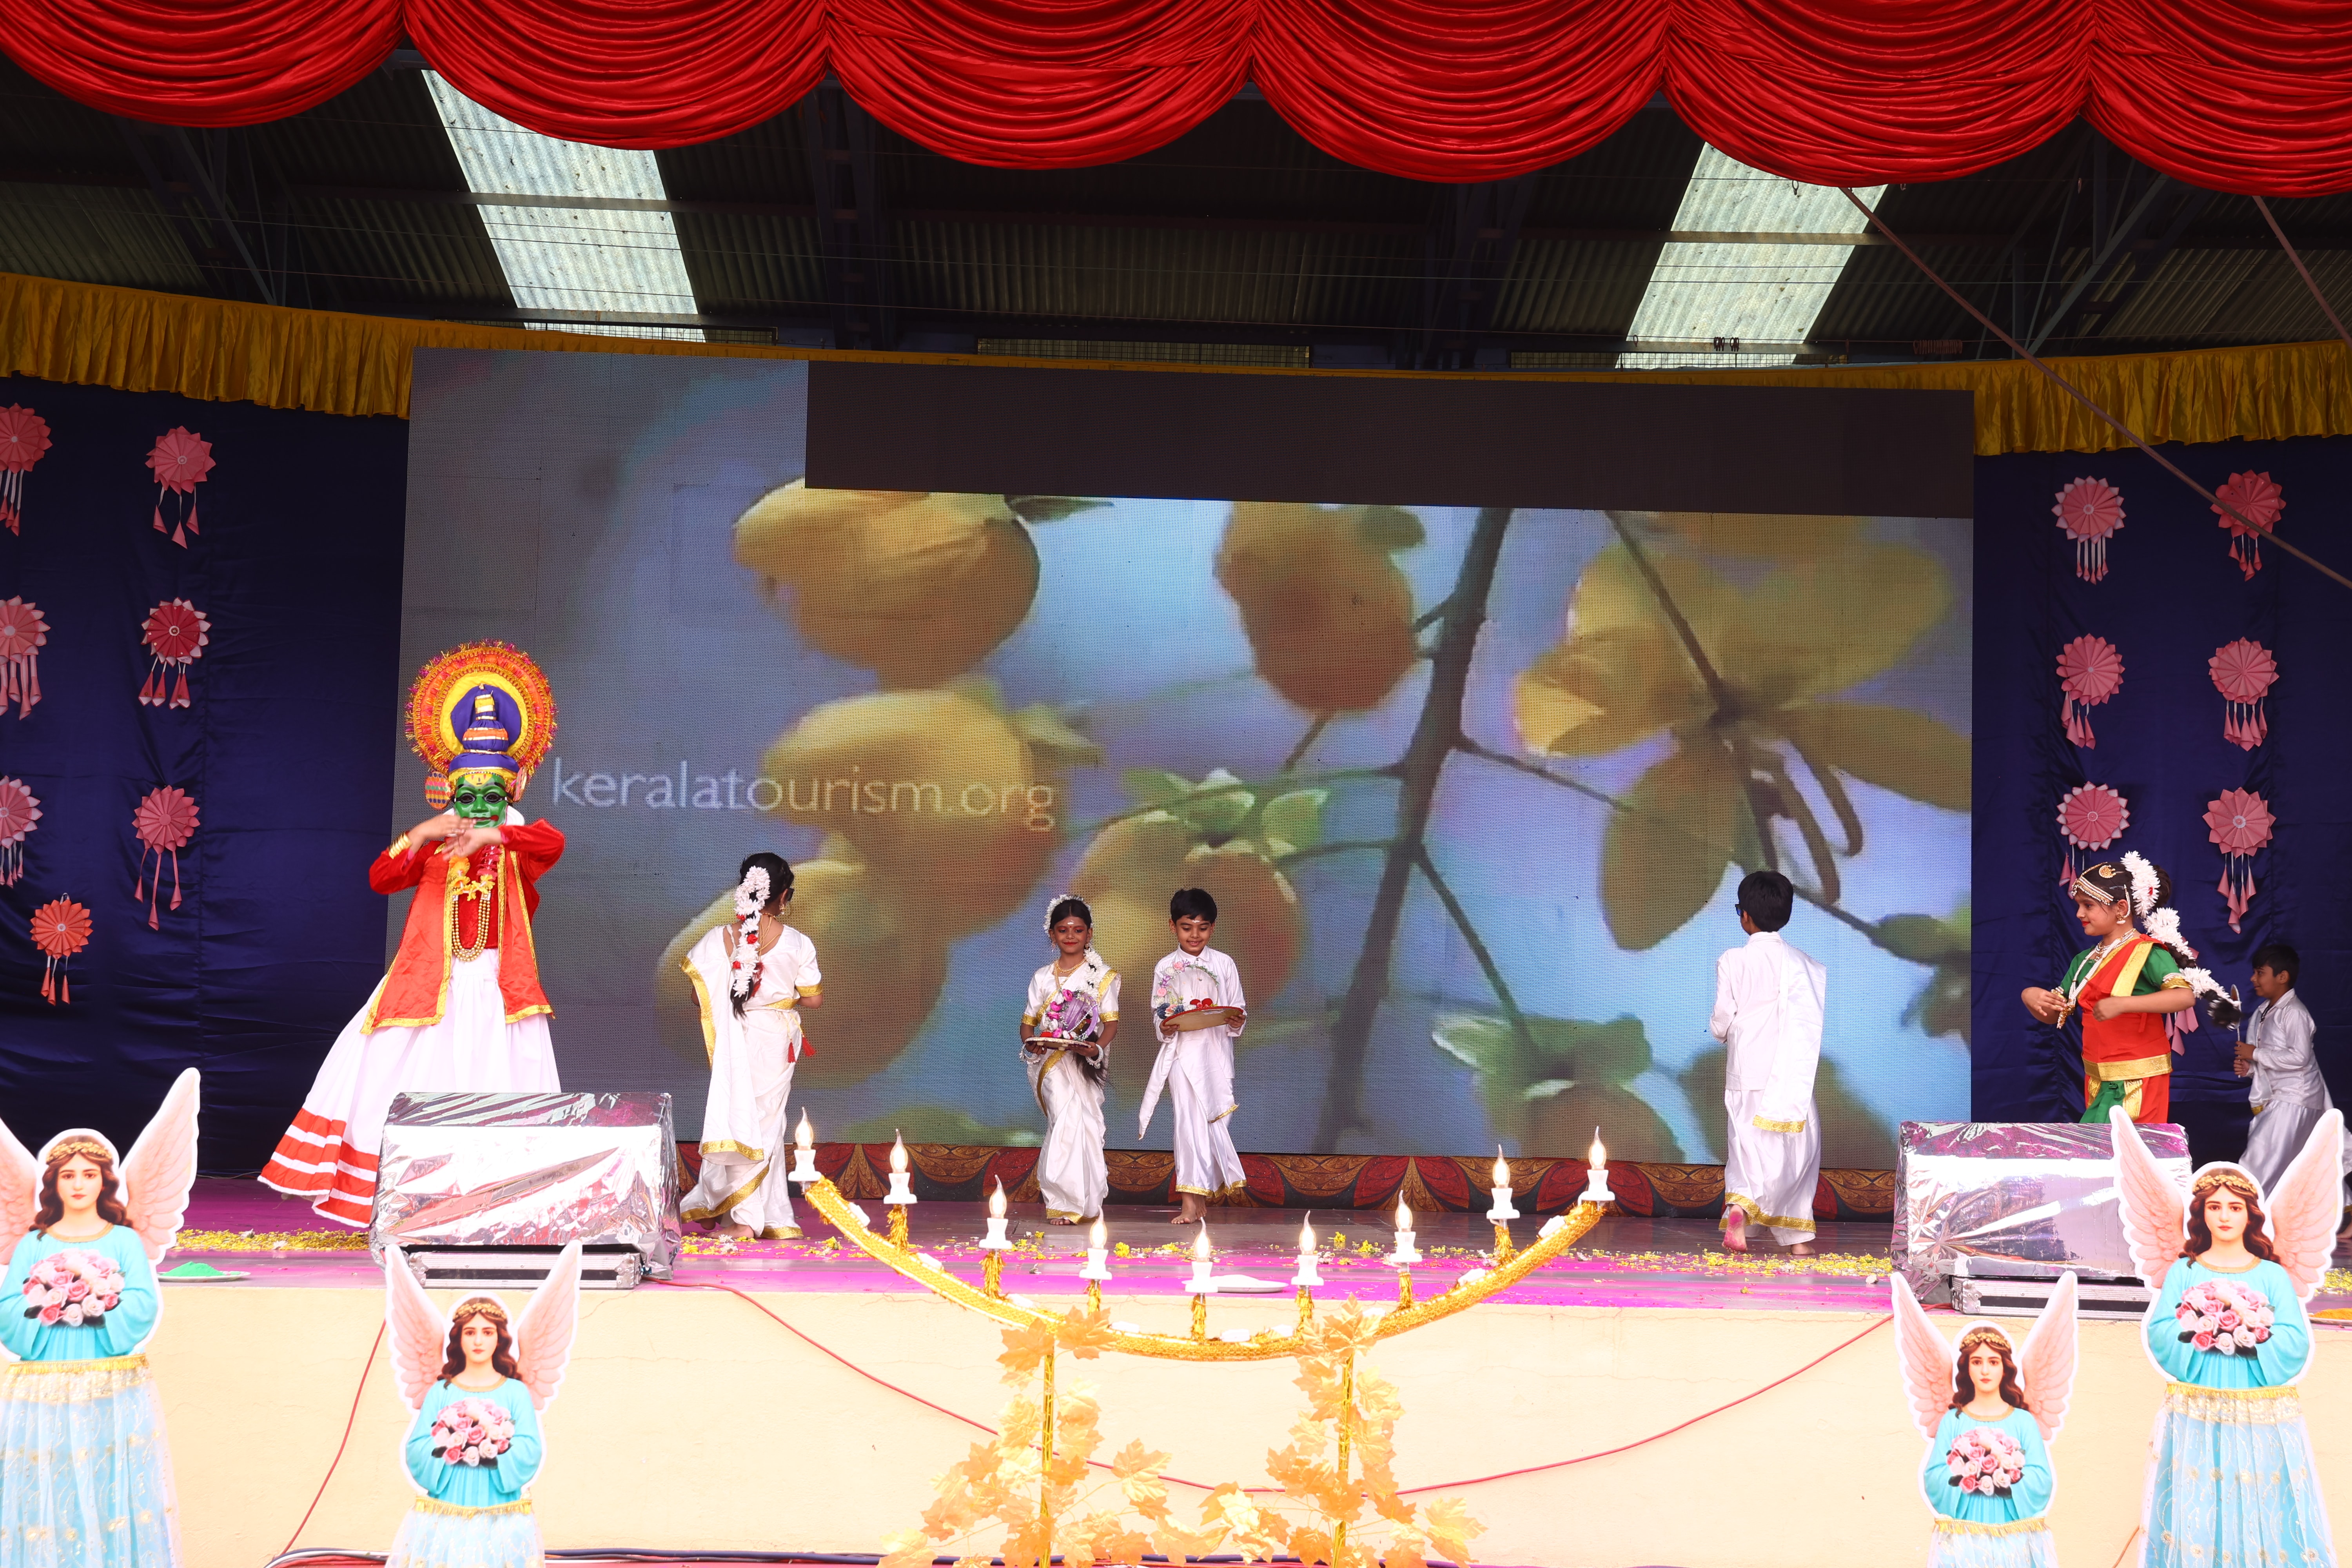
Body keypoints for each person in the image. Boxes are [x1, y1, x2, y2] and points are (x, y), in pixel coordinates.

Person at [261, 644, 563, 1225]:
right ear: (448, 794)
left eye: (493, 797)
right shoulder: (433, 848)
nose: (479, 807)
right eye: (467, 797)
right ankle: (405, 1200)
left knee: (497, 1090)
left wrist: (493, 837)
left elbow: (554, 843)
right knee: (391, 1080)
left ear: (513, 792)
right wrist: (424, 833)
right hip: (426, 986)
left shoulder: (518, 846)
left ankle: (491, 1206)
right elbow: (381, 879)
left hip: (498, 990)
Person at [2112, 1107, 2340, 1568]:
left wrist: (2251, 1331)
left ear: (2250, 1213)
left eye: (2235, 1207)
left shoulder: (2271, 1274)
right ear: (2200, 1212)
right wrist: (2202, 1327)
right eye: (2214, 1206)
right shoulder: (2186, 1270)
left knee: (2259, 1494)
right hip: (2198, 1402)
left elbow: (2294, 1339)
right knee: (2200, 1497)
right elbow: (2161, 1331)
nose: (2224, 1215)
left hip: (2258, 1405)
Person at [0, 1071, 201, 1568]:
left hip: (111, 1384)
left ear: (104, 1180)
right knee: (49, 1485)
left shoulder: (124, 1240)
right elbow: (8, 1309)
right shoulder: (34, 1243)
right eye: (68, 1175)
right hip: (44, 1384)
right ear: (53, 1182)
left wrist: (97, 1299)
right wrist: (49, 1299)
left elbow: (142, 1304)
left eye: (89, 1174)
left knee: (109, 1483)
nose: (79, 1184)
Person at [383, 1242, 581, 1568]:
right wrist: (452, 1443)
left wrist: (494, 1442)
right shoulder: (442, 1391)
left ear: (499, 1338)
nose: (478, 1341)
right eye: (470, 1332)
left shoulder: (516, 1392)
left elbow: (530, 1449)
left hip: (499, 1512)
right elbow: (417, 1447)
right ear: (458, 1338)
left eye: (487, 1332)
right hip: (447, 1510)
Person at [679, 853, 822, 1240]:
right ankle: (747, 1218)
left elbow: (698, 998)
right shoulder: (796, 943)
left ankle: (723, 1203)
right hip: (774, 1036)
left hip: (733, 1034)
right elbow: (813, 999)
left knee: (734, 1115)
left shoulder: (717, 939)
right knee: (764, 1124)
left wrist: (740, 991)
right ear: (784, 894)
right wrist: (781, 994)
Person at [1891, 1272, 2076, 1568]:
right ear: (1967, 1368)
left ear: (2005, 1368)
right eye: (1977, 1362)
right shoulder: (1953, 1420)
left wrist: (2003, 1465)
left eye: (1993, 1362)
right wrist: (1969, 1470)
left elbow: (2042, 1480)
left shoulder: (2023, 1421)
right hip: (1966, 1540)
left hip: (2013, 1539)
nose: (1986, 1371)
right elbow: (1934, 1476)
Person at [2018, 853, 2213, 1125]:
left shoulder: (2147, 952)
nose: (2079, 914)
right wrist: (2030, 996)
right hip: (2097, 1077)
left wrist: (2123, 1003)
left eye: (2088, 905)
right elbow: (2054, 1015)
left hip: (2138, 1079)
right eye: (2079, 905)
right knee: (2100, 1147)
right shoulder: (2084, 960)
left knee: (2125, 1148)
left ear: (2121, 908)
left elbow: (2184, 996)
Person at [1710, 869, 1825, 1254]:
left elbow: (1723, 1017)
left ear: (1745, 916)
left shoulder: (1733, 959)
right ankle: (1798, 1239)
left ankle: (1742, 1208)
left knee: (1748, 1146)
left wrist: (1720, 1032)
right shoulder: (1805, 964)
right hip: (1791, 1071)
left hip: (1747, 1069)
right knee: (1798, 1149)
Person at [1138, 887, 1247, 1225]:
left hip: (1217, 1056)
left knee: (1215, 1125)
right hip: (1182, 1057)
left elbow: (1237, 1008)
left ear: (1213, 928)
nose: (1195, 935)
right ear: (1173, 926)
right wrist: (1165, 1027)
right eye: (1187, 927)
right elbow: (1160, 1013)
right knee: (1187, 1126)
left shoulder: (1224, 964)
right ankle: (1189, 1200)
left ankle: (1201, 1195)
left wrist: (1237, 1021)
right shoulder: (1165, 967)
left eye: (1202, 928)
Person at [1021, 895, 1119, 1225]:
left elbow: (1110, 1024)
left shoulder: (1102, 976)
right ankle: (1061, 1201)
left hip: (1084, 1062)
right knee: (1066, 1118)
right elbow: (1028, 1024)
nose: (1071, 936)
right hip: (1051, 1062)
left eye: (1078, 930)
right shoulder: (1042, 977)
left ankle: (1086, 1203)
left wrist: (1096, 1050)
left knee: (1084, 1124)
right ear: (1052, 934)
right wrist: (1033, 1044)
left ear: (1089, 934)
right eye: (1063, 930)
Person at [2234, 943, 2332, 1193]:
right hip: (2281, 1098)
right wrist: (2250, 1068)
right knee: (2301, 1165)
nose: (2253, 978)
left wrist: (2254, 1054)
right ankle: (2336, 1210)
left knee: (2260, 1158)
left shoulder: (2294, 1013)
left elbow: (2299, 1058)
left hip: (2296, 1097)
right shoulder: (2261, 1012)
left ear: (2282, 977)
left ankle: (2246, 1206)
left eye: (2259, 973)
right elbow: (2271, 1061)